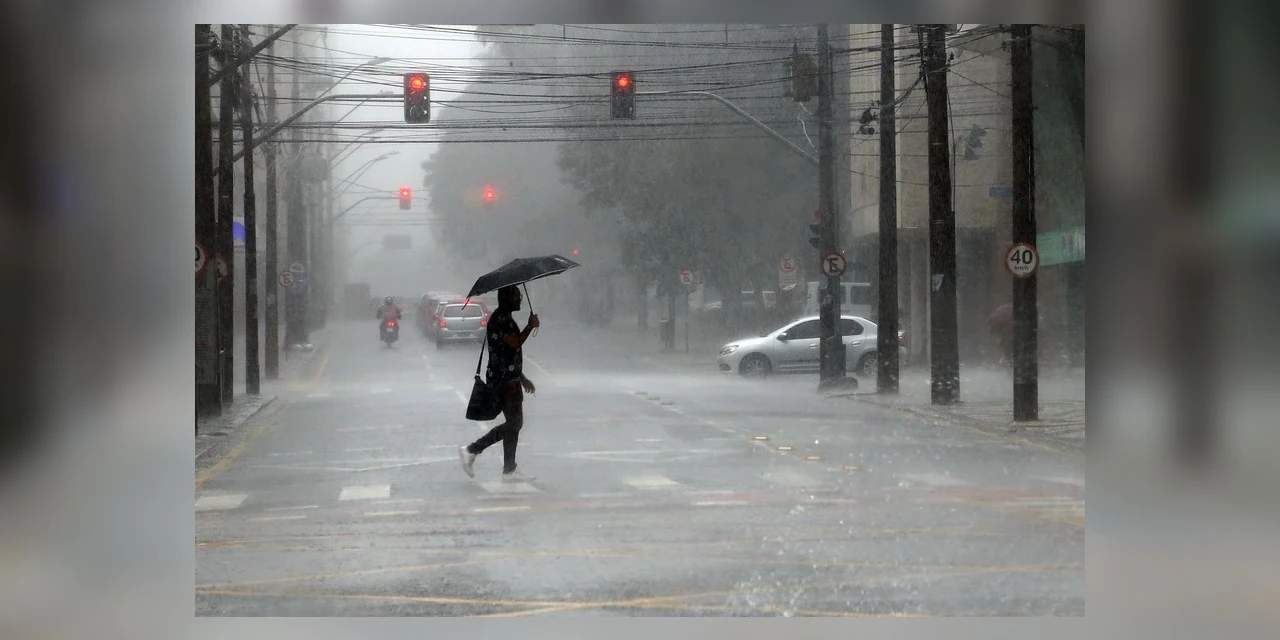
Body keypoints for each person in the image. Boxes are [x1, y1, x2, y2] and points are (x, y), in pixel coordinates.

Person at [460, 285, 540, 482]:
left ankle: (509, 470)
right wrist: (530, 326)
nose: (520, 298)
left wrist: (522, 378)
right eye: (516, 295)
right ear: (505, 298)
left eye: (520, 295)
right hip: (503, 381)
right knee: (515, 423)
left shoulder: (505, 318)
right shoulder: (499, 320)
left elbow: (508, 355)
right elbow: (514, 343)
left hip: (509, 379)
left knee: (515, 424)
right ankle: (472, 450)